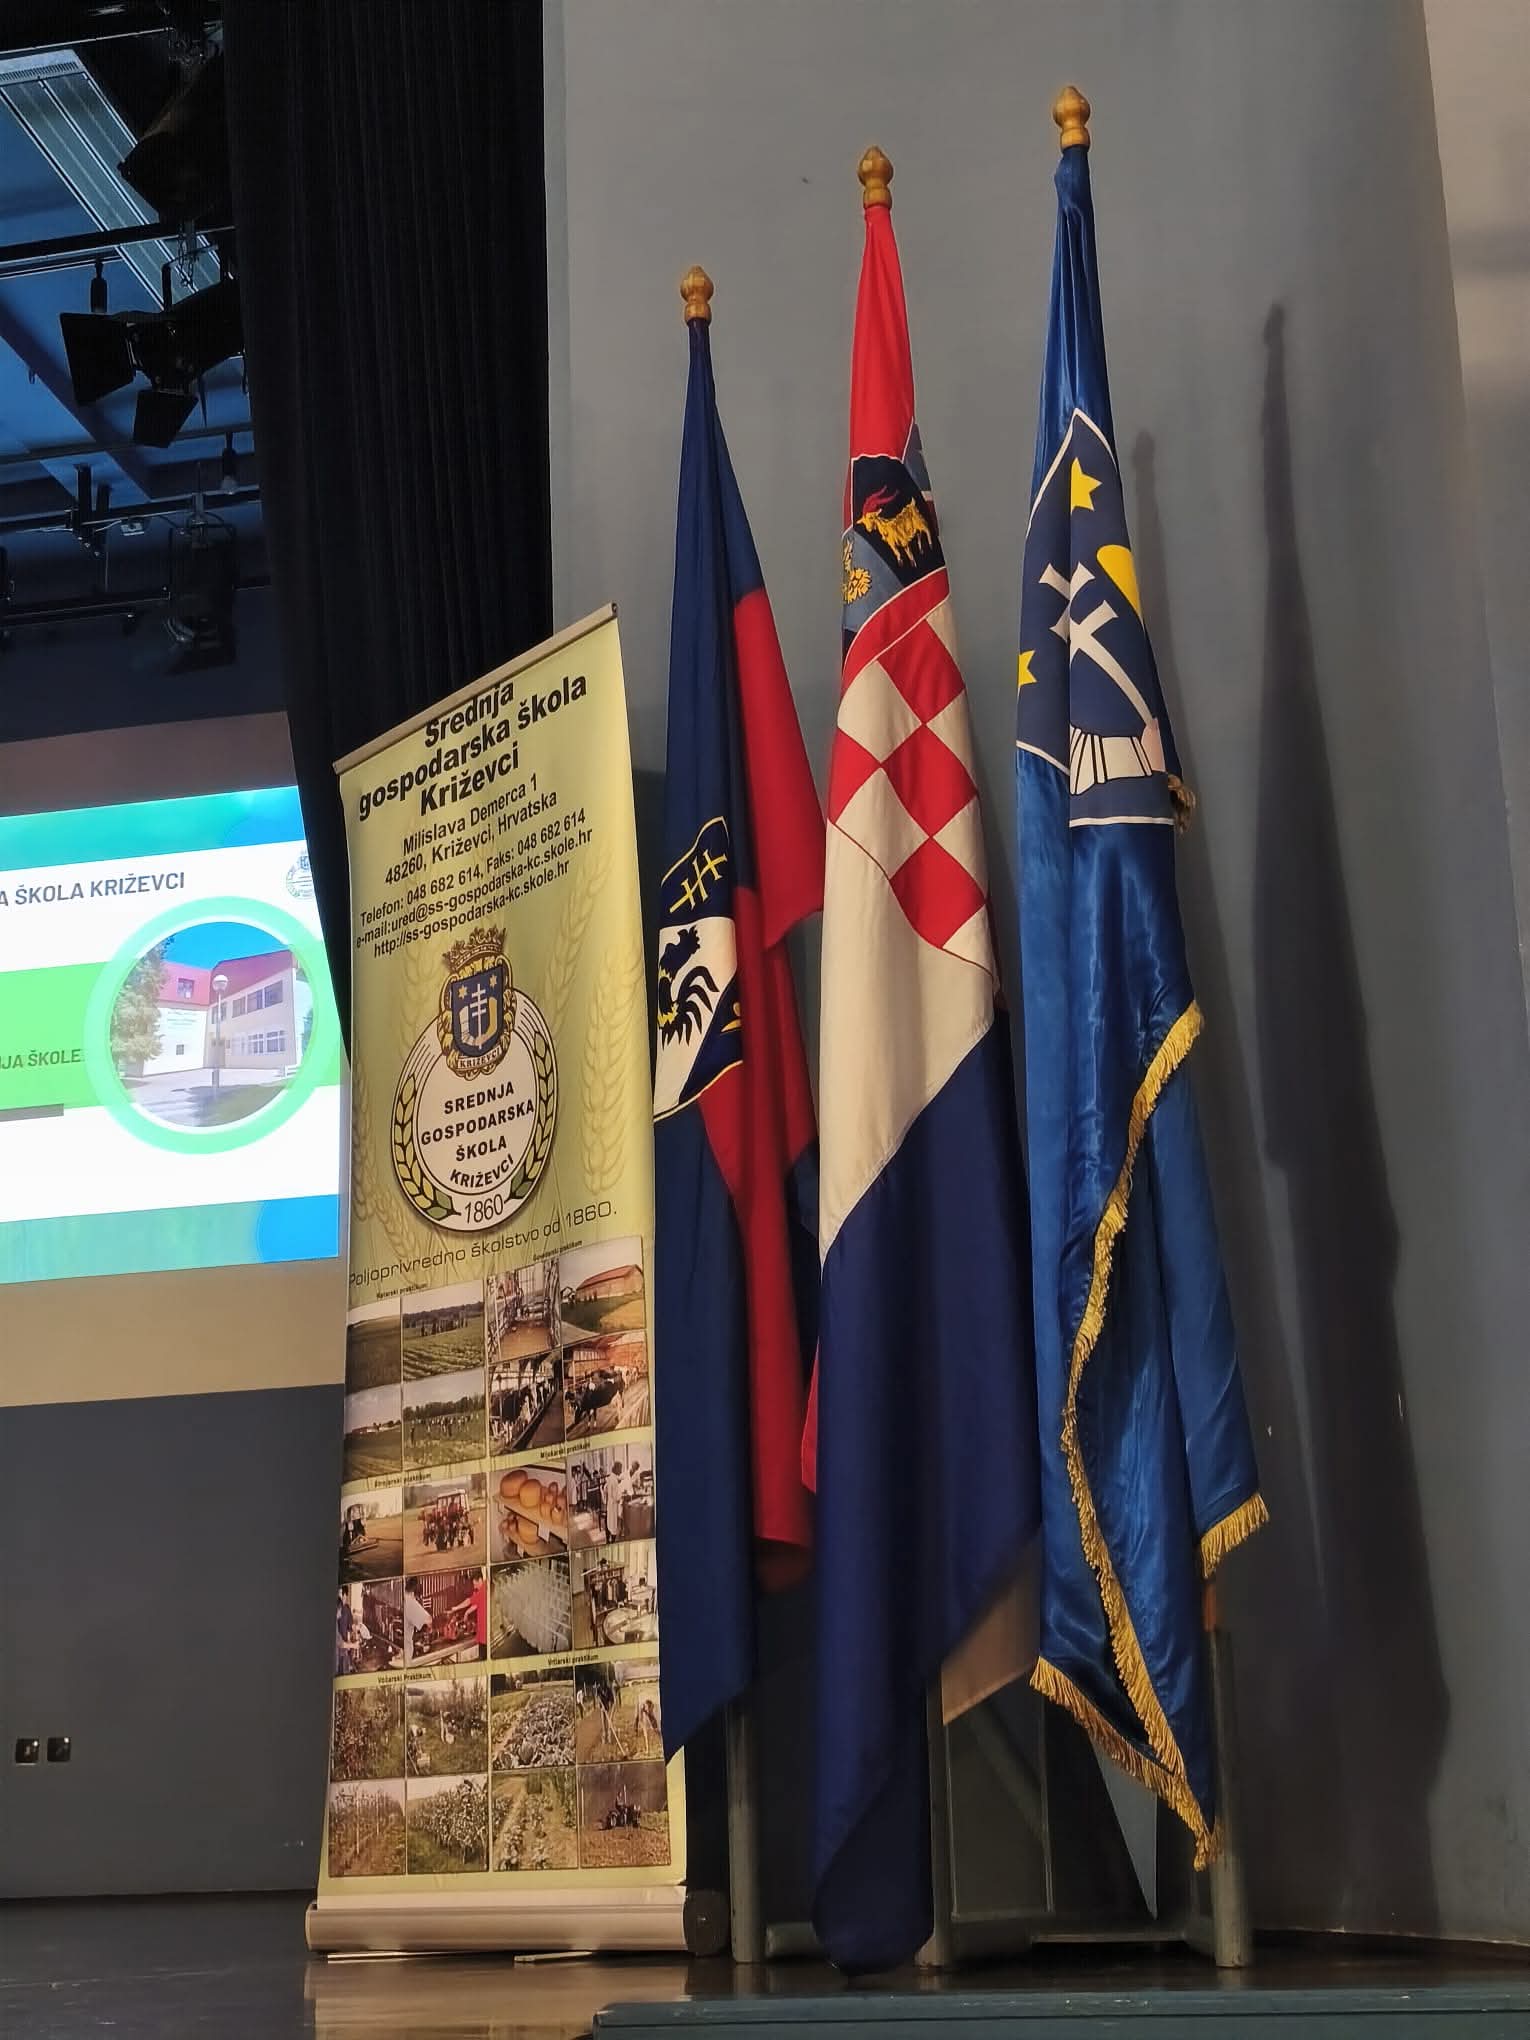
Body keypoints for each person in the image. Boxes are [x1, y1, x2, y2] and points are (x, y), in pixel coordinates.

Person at [403, 1576, 432, 1661]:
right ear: (414, 1592)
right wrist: (430, 1629)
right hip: (407, 1655)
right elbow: (429, 1619)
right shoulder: (411, 1603)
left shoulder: (404, 1600)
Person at [603, 1460, 625, 1543]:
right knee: (614, 1525)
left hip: (609, 1504)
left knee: (609, 1523)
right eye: (620, 1469)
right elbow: (616, 1497)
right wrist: (622, 1495)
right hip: (613, 1505)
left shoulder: (610, 1478)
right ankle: (612, 1542)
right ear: (616, 1469)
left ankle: (607, 1540)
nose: (621, 1471)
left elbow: (605, 1489)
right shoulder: (614, 1481)